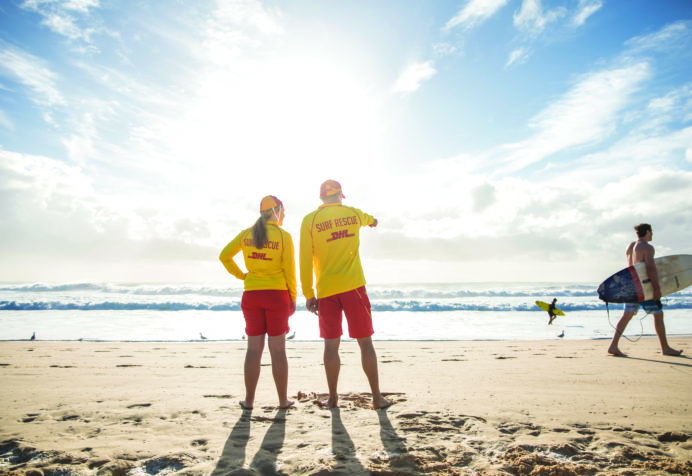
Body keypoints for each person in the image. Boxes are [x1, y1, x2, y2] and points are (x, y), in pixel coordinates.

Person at [299, 179, 392, 410]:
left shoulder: (310, 220)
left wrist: (309, 293)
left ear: (321, 198)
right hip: (354, 287)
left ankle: (332, 399)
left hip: (326, 290)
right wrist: (373, 222)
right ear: (340, 195)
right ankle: (377, 398)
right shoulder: (353, 213)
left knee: (331, 346)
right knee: (365, 343)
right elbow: (372, 219)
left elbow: (305, 259)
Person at [220, 195, 297, 409]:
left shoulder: (246, 234)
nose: (284, 214)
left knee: (253, 349)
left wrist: (243, 276)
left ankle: (249, 401)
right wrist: (293, 297)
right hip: (277, 296)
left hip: (252, 295)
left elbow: (224, 256)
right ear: (276, 211)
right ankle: (283, 401)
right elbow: (290, 271)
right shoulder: (283, 236)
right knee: (278, 350)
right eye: (283, 210)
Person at [607, 223, 683, 357]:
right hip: (643, 287)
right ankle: (665, 348)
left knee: (627, 315)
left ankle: (613, 345)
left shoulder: (630, 246)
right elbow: (650, 268)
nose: (652, 234)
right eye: (651, 232)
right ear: (648, 232)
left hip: (631, 285)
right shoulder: (647, 247)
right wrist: (657, 288)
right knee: (658, 314)